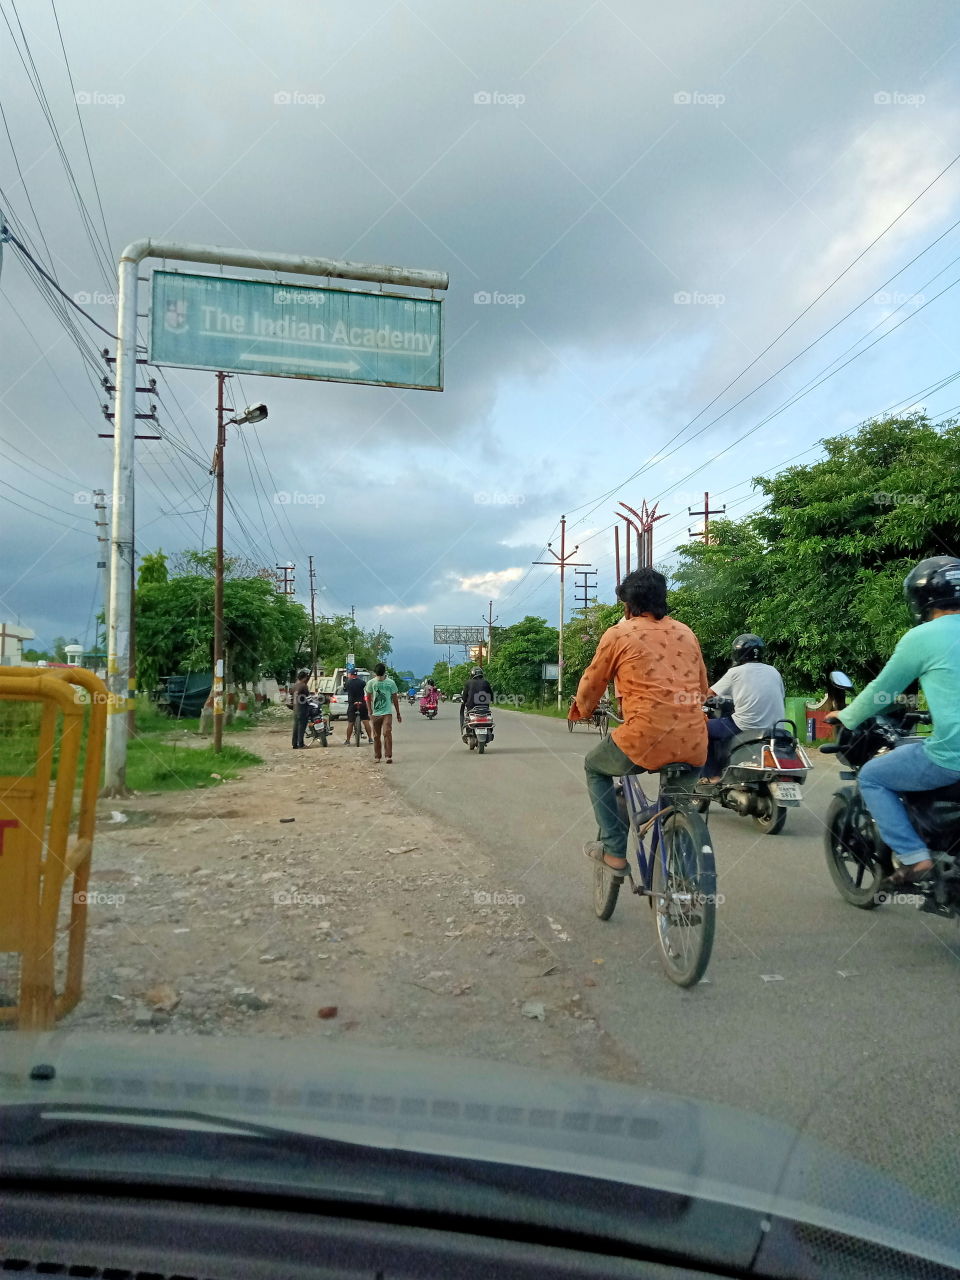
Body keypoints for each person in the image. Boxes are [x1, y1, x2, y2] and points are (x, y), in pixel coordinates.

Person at [828, 556, 960, 886]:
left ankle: (916, 859)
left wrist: (846, 716)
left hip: (952, 757)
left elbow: (881, 692)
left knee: (873, 775)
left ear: (922, 600)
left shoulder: (923, 637)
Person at [571, 567, 709, 874]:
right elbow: (702, 689)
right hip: (694, 742)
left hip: (644, 737)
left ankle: (614, 851)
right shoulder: (686, 632)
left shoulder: (619, 633)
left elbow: (592, 683)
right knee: (678, 805)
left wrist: (583, 709)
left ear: (628, 605)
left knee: (594, 766)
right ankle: (684, 874)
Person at [701, 634, 786, 782]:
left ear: (737, 653)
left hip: (745, 725)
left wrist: (692, 705)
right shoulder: (774, 671)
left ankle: (712, 776)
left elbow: (708, 695)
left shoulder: (735, 672)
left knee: (702, 729)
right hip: (776, 727)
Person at [366, 662, 402, 762]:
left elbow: (395, 698)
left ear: (384, 674)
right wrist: (369, 710)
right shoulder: (371, 683)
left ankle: (388, 756)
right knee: (376, 735)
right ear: (375, 674)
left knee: (387, 732)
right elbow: (368, 698)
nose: (379, 678)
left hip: (387, 712)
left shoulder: (391, 683)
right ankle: (377, 756)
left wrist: (398, 713)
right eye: (378, 676)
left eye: (381, 676)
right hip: (375, 713)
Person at [341, 665, 373, 744]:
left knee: (350, 723)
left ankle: (348, 740)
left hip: (352, 704)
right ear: (356, 675)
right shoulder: (362, 682)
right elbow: (365, 687)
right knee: (366, 721)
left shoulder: (347, 683)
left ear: (351, 675)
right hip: (361, 703)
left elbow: (345, 689)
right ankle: (370, 739)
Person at [460, 665, 493, 731]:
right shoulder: (486, 682)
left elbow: (464, 697)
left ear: (472, 674)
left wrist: (464, 700)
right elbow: (491, 695)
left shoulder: (468, 683)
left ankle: (468, 731)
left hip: (471, 708)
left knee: (467, 719)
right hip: (485, 708)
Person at [290, 668, 311, 750]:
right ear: (304, 677)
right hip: (302, 709)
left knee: (295, 726)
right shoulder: (303, 686)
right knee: (301, 727)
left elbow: (291, 696)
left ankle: (294, 744)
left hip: (295, 709)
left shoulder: (294, 686)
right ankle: (301, 744)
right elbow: (309, 699)